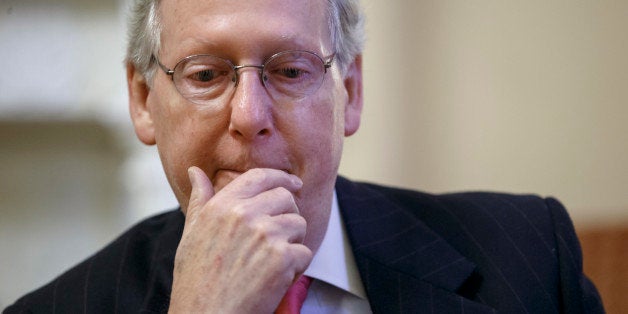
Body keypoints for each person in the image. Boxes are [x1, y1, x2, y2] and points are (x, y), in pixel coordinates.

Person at [4, 0, 604, 313]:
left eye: (289, 70)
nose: (248, 115)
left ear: (352, 92)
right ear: (142, 100)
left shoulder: (528, 259)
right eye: (207, 74)